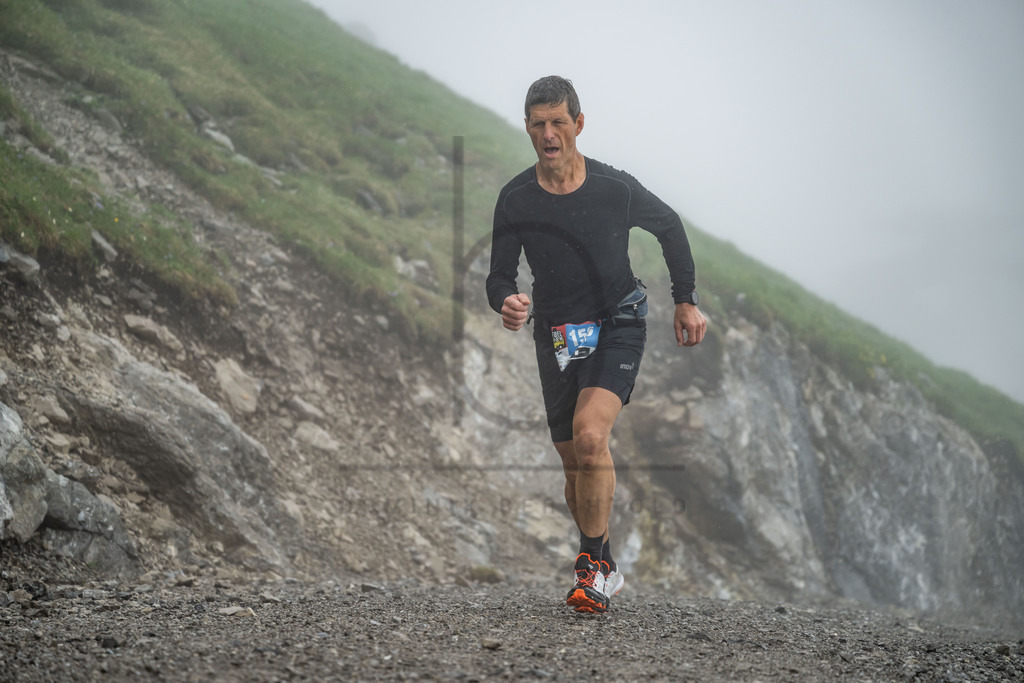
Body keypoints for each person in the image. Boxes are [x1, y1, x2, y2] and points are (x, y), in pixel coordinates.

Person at [486, 76, 706, 613]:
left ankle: (590, 568)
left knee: (590, 437)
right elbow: (499, 275)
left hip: (617, 321)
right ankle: (604, 562)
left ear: (579, 124)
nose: (549, 134)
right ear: (527, 128)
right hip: (557, 334)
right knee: (573, 466)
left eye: (559, 122)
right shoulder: (515, 198)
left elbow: (669, 226)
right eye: (538, 124)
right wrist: (506, 301)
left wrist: (685, 300)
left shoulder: (614, 187)